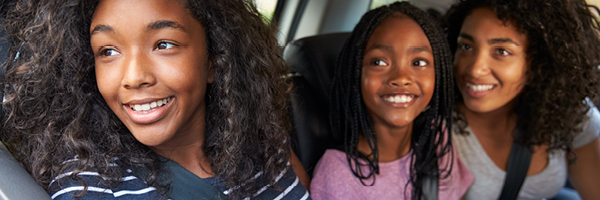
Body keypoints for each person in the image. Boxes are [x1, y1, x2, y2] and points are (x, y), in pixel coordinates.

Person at [0, 0, 310, 199]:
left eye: (164, 44)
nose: (134, 77)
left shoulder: (269, 152)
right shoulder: (87, 189)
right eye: (107, 51)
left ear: (215, 61)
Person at [310, 2, 473, 200]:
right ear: (355, 74)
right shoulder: (338, 173)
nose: (401, 77)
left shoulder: (438, 139)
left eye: (418, 62)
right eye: (379, 62)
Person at [445, 0, 600, 199]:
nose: (475, 69)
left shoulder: (570, 112)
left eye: (501, 51)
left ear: (539, 61)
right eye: (466, 46)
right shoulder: (435, 121)